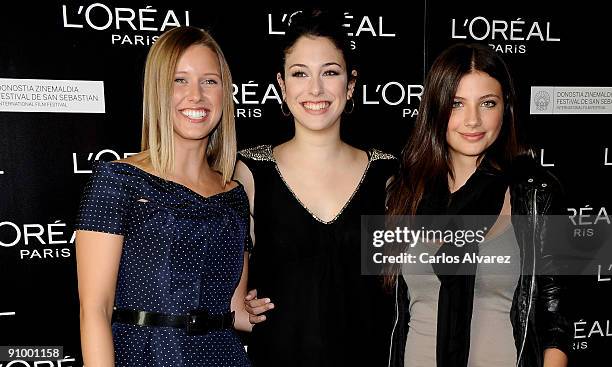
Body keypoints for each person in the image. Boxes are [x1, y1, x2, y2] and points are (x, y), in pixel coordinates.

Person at [75, 26, 253, 367]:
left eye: (209, 81)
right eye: (179, 80)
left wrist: (251, 312)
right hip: (145, 356)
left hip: (224, 357)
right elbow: (94, 309)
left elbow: (235, 309)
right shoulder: (117, 181)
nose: (196, 96)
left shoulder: (234, 196)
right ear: (157, 90)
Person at [386, 43, 570, 367]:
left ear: (506, 107)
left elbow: (555, 321)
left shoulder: (536, 195)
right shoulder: (403, 191)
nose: (473, 120)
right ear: (436, 107)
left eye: (487, 103)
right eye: (457, 103)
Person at [233, 9, 396, 367]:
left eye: (330, 72)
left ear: (351, 84)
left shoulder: (388, 175)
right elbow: (223, 287)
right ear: (281, 84)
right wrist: (237, 304)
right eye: (300, 74)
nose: (315, 89)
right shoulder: (248, 172)